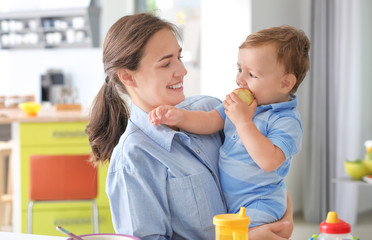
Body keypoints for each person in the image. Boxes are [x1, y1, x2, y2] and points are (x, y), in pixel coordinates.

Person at [86, 13, 294, 240]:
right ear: (128, 76)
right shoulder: (133, 159)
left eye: (179, 57)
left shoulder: (210, 109)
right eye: (166, 63)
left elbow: (261, 172)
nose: (182, 71)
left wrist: (285, 219)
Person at [149, 25, 310, 227]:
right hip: (230, 204)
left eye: (252, 75)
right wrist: (180, 117)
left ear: (285, 83)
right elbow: (209, 120)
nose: (239, 80)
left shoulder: (285, 119)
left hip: (260, 203)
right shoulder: (239, 106)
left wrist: (244, 122)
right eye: (239, 69)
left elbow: (269, 161)